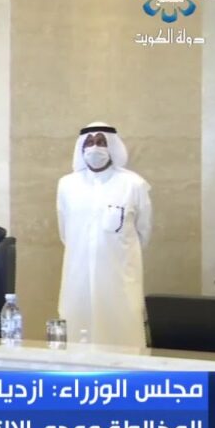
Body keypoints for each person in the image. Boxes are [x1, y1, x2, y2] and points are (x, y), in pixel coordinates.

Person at [57, 122, 153, 347]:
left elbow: (144, 231)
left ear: (111, 146)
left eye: (101, 142)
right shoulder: (67, 185)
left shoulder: (133, 184)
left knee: (122, 331)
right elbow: (65, 232)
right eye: (89, 142)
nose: (95, 148)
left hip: (119, 275)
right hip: (78, 274)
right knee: (77, 331)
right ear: (81, 148)